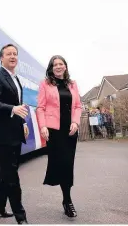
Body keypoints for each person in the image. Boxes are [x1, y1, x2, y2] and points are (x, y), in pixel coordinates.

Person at [0, 44, 29, 224]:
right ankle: (21, 217)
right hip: (1, 135)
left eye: (15, 54)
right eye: (9, 54)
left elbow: (18, 106)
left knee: (8, 171)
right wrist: (13, 109)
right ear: (1, 58)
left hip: (15, 132)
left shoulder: (15, 78)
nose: (12, 56)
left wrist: (23, 123)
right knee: (12, 176)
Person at [36, 55, 82, 218]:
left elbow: (78, 106)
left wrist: (76, 123)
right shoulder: (45, 84)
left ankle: (66, 200)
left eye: (61, 64)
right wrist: (42, 126)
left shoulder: (72, 84)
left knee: (68, 164)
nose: (58, 66)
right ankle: (67, 200)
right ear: (51, 68)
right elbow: (40, 107)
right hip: (54, 131)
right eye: (55, 64)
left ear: (65, 66)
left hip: (70, 130)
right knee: (61, 163)